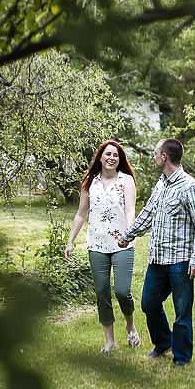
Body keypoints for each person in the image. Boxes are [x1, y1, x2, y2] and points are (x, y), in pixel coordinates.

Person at [117, 138, 195, 366]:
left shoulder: (190, 187)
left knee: (182, 311)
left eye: (156, 152)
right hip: (157, 259)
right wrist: (127, 235)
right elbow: (148, 214)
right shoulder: (161, 184)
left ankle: (182, 357)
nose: (154, 156)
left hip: (180, 261)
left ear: (164, 156)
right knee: (149, 303)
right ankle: (163, 342)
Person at [65, 139, 142, 353]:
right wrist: (70, 240)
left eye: (116, 155)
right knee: (102, 292)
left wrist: (128, 234)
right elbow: (81, 214)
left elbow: (130, 211)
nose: (111, 158)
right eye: (107, 154)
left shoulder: (126, 180)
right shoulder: (90, 182)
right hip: (97, 244)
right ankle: (109, 340)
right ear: (100, 157)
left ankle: (130, 326)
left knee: (122, 291)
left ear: (120, 160)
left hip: (122, 243)